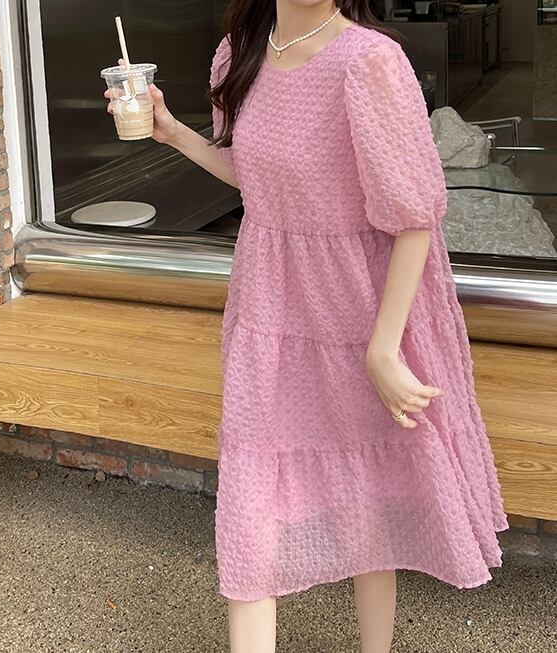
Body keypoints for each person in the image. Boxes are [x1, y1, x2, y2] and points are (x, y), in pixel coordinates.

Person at [105, 1, 509, 651]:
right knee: (251, 499)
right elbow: (255, 179)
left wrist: (384, 346)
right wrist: (172, 132)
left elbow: (413, 217)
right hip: (269, 303)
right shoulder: (238, 53)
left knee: (368, 493)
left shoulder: (368, 62)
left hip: (357, 304)